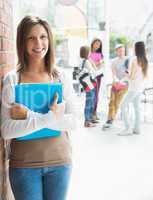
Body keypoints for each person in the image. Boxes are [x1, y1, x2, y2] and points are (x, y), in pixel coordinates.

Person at [1, 15, 76, 200]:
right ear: (22, 42)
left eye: (43, 37)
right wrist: (52, 117)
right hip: (24, 167)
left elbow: (73, 122)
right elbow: (7, 131)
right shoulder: (12, 79)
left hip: (60, 163)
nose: (38, 43)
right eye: (31, 38)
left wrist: (28, 114)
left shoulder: (61, 76)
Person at [118, 41, 148, 136]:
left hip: (133, 88)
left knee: (122, 106)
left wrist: (126, 74)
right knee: (136, 108)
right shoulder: (144, 60)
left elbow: (131, 77)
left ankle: (128, 128)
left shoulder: (135, 60)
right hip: (139, 88)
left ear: (136, 49)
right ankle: (137, 129)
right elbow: (145, 76)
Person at [102, 44, 129, 130]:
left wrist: (121, 82)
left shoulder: (128, 60)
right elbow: (113, 73)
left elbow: (128, 74)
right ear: (116, 51)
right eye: (119, 51)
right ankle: (109, 119)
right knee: (111, 102)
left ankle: (111, 119)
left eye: (123, 50)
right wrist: (115, 80)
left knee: (117, 102)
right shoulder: (114, 61)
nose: (121, 52)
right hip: (116, 83)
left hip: (125, 84)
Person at [79, 46, 97, 127]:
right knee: (89, 101)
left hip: (86, 83)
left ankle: (89, 119)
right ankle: (87, 121)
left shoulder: (82, 61)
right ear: (87, 52)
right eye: (89, 52)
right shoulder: (86, 61)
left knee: (90, 100)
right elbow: (93, 71)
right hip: (89, 83)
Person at [89, 38, 104, 121]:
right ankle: (90, 114)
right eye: (96, 44)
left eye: (99, 44)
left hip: (98, 76)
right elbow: (91, 65)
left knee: (96, 95)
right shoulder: (89, 53)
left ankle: (94, 113)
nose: (97, 46)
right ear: (93, 43)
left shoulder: (100, 54)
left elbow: (101, 66)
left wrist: (97, 64)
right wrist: (98, 63)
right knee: (91, 95)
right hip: (91, 76)